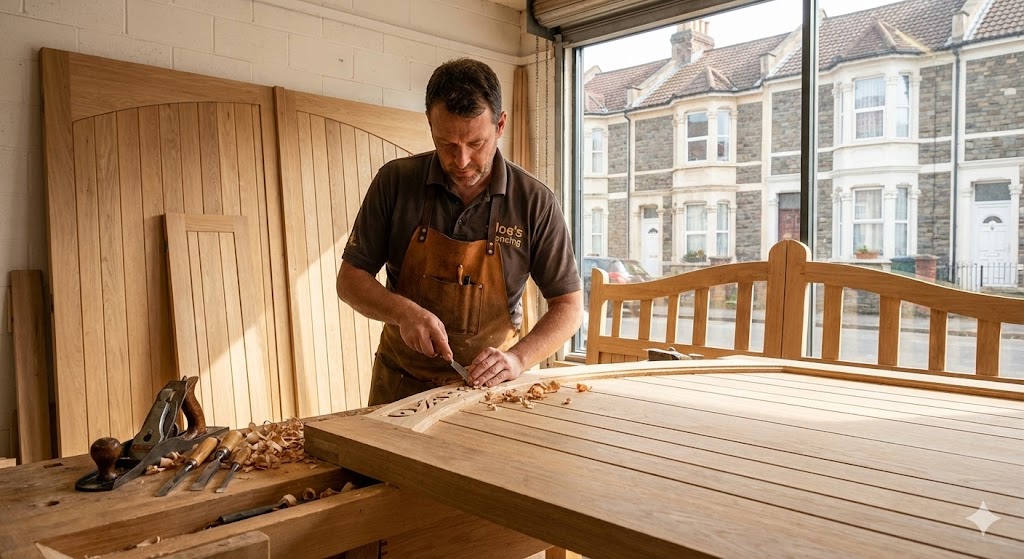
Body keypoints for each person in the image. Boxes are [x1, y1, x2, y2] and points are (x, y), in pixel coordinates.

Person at [337, 58, 583, 406]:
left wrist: (517, 359)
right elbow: (350, 280)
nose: (462, 161)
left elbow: (569, 307)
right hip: (399, 385)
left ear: (500, 125)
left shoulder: (534, 201)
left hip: (488, 392)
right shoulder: (395, 182)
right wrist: (404, 312)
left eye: (476, 143)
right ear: (430, 124)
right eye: (447, 144)